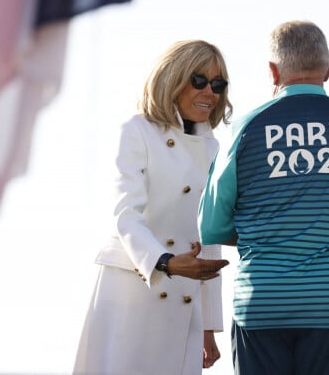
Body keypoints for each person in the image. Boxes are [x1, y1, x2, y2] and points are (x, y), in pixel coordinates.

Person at [198, 20, 329, 375]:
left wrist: (268, 227)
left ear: (273, 70)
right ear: (328, 68)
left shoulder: (247, 126)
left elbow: (211, 225)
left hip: (262, 306)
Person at [73, 40, 232, 375]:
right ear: (172, 78)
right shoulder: (137, 131)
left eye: (217, 85)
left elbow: (209, 234)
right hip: (130, 293)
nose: (210, 93)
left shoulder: (212, 147)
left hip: (185, 303)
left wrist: (209, 325)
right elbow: (125, 214)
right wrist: (165, 262)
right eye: (199, 81)